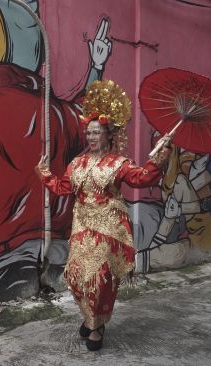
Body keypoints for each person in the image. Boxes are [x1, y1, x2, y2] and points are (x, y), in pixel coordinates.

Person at [35, 80, 171, 351]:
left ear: (109, 135)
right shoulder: (78, 163)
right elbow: (63, 188)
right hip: (82, 225)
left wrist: (159, 157)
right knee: (75, 276)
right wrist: (45, 174)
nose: (92, 137)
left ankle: (96, 327)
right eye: (89, 132)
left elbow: (141, 178)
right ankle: (90, 317)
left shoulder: (118, 164)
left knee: (98, 278)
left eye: (97, 132)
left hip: (108, 228)